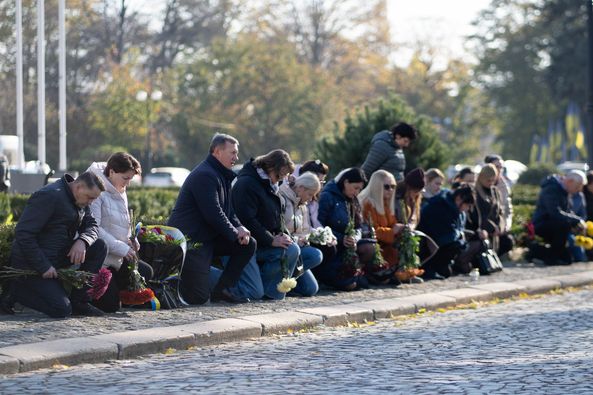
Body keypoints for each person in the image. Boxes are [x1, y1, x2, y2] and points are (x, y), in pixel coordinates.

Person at [168, 134, 256, 304]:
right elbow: (213, 213)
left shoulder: (222, 174)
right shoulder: (205, 175)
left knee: (248, 244)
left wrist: (240, 227)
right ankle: (178, 280)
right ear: (217, 151)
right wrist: (234, 232)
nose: (236, 158)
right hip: (192, 240)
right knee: (198, 298)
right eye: (232, 153)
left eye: (236, 154)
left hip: (208, 237)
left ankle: (222, 289)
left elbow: (228, 211)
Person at [8, 172, 107, 318]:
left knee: (99, 246)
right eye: (90, 197)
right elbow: (23, 233)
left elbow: (92, 225)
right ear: (78, 187)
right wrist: (43, 266)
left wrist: (83, 241)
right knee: (61, 310)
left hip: (57, 256)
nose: (91, 202)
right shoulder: (49, 196)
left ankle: (79, 302)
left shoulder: (80, 200)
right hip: (31, 264)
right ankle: (14, 291)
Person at [86, 152, 153, 312]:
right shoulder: (96, 190)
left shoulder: (119, 188)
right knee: (111, 306)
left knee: (146, 272)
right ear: (111, 172)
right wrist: (122, 248)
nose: (127, 183)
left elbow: (122, 223)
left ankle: (117, 287)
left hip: (118, 256)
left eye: (130, 179)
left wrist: (131, 240)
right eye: (125, 178)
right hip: (102, 257)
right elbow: (95, 229)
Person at [232, 149, 299, 300]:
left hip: (261, 242)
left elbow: (277, 216)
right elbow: (247, 220)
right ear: (270, 168)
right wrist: (271, 240)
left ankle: (271, 293)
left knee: (292, 249)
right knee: (254, 292)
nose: (278, 180)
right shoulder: (247, 183)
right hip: (244, 244)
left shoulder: (271, 184)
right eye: (278, 176)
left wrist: (284, 235)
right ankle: (218, 280)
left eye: (282, 178)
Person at [316, 167, 374, 290]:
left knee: (369, 249)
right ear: (346, 182)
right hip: (332, 247)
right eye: (355, 188)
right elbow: (319, 225)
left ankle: (354, 272)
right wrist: (341, 238)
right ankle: (324, 276)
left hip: (348, 248)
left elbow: (359, 226)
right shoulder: (327, 196)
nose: (357, 192)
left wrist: (355, 238)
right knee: (350, 285)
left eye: (360, 189)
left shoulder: (353, 199)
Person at [418, 184, 479, 279]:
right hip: (428, 245)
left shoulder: (456, 209)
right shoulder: (440, 206)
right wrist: (461, 236)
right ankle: (429, 269)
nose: (467, 209)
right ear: (459, 198)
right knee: (457, 244)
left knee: (447, 271)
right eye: (467, 205)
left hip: (440, 244)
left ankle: (439, 268)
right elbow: (445, 236)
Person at [279, 172, 324, 296]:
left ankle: (285, 284)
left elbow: (304, 230)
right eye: (310, 194)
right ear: (301, 188)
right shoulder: (282, 197)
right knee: (315, 255)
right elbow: (279, 228)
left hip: (296, 246)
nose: (310, 199)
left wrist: (305, 238)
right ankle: (278, 281)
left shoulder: (303, 206)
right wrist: (296, 240)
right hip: (284, 245)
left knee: (311, 289)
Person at [530, 170, 587, 265]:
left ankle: (547, 255)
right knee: (563, 224)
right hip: (542, 225)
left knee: (567, 260)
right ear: (570, 181)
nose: (578, 191)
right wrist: (577, 220)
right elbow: (555, 213)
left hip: (555, 226)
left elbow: (568, 212)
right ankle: (547, 256)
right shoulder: (551, 189)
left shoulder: (565, 190)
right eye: (577, 187)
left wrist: (577, 222)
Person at [358, 170, 401, 284]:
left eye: (393, 186)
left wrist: (400, 228)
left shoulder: (385, 203)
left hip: (384, 244)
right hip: (370, 244)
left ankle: (395, 273)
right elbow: (373, 230)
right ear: (377, 186)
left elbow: (392, 224)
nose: (391, 190)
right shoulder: (368, 203)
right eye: (387, 186)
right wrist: (393, 231)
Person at [466, 164, 513, 258]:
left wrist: (500, 226)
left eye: (493, 180)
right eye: (488, 180)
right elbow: (478, 215)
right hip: (482, 229)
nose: (491, 183)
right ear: (481, 178)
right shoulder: (475, 192)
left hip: (495, 230)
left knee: (508, 241)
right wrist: (492, 227)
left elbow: (500, 211)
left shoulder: (495, 191)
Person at [484, 154, 513, 235]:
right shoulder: (480, 184)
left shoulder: (504, 186)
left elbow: (507, 209)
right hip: (484, 226)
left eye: (501, 167)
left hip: (499, 225)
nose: (500, 170)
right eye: (497, 166)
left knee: (507, 242)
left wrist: (506, 225)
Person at [298, 160, 329, 228]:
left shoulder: (314, 202)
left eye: (322, 182)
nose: (321, 186)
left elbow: (316, 225)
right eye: (320, 181)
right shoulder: (295, 200)